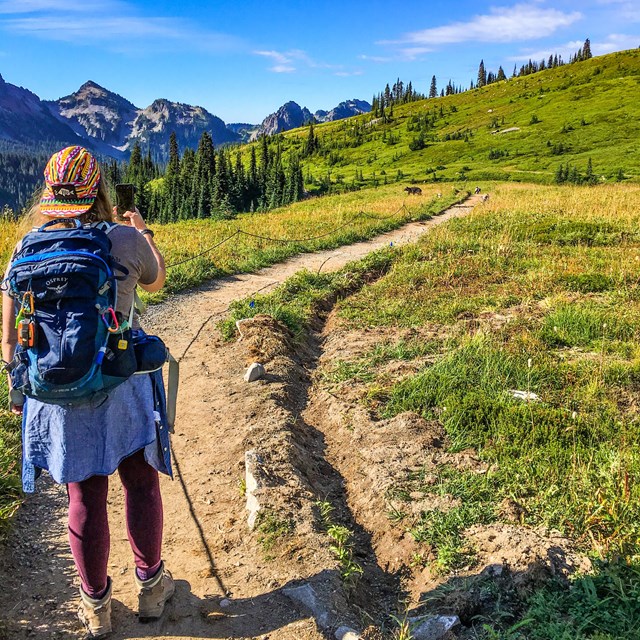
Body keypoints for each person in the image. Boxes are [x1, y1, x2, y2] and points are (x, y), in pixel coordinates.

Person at [1, 146, 174, 637]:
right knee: (140, 482)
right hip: (122, 382)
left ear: (50, 194)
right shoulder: (120, 238)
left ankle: (96, 605)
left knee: (84, 495)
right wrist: (144, 234)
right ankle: (152, 586)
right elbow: (158, 280)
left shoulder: (25, 249)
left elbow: (9, 337)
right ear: (97, 191)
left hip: (56, 390)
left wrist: (19, 391)